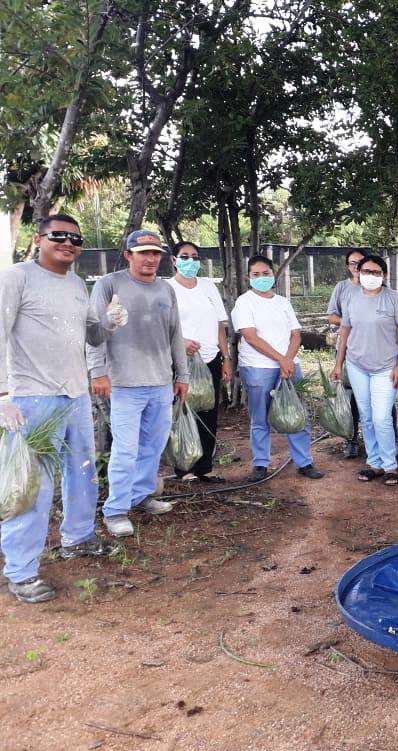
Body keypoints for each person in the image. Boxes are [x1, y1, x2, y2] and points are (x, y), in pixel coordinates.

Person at [0, 215, 115, 603]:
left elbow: (90, 334)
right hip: (33, 398)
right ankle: (21, 571)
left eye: (75, 239)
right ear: (39, 240)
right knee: (33, 485)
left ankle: (78, 536)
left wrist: (109, 323)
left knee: (83, 471)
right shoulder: (17, 277)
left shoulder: (77, 284)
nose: (68, 243)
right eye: (58, 236)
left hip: (75, 394)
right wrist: (3, 395)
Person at [87, 230, 189, 538]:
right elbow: (93, 334)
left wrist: (182, 375)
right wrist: (97, 371)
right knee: (126, 449)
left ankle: (142, 495)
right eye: (143, 252)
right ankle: (116, 510)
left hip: (160, 382)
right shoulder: (110, 284)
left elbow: (175, 334)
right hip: (124, 384)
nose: (150, 258)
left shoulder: (165, 290)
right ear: (129, 254)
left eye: (155, 253)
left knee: (153, 446)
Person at [231, 256, 323, 483]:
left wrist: (288, 361)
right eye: (256, 274)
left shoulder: (283, 302)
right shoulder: (244, 302)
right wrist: (282, 360)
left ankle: (304, 462)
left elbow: (296, 334)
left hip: (290, 366)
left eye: (266, 273)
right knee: (260, 416)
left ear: (274, 275)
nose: (262, 278)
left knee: (297, 414)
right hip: (258, 367)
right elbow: (250, 337)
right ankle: (261, 463)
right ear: (248, 277)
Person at [332, 254, 398, 485]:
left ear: (384, 275)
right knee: (366, 417)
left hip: (385, 368)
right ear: (358, 272)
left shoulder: (393, 298)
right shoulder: (352, 298)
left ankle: (390, 466)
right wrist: (339, 363)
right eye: (366, 271)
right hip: (357, 366)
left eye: (376, 272)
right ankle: (374, 463)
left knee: (381, 417)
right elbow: (345, 331)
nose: (370, 276)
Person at [166, 241, 233, 483]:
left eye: (195, 257)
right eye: (185, 256)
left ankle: (204, 468)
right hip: (181, 362)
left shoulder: (207, 287)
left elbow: (219, 324)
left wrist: (226, 358)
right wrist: (181, 341)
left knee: (209, 412)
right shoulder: (166, 288)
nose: (191, 261)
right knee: (184, 411)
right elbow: (161, 325)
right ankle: (184, 468)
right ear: (174, 260)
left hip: (210, 359)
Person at [326, 247, 366, 458]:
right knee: (350, 397)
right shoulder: (342, 288)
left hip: (372, 353)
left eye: (361, 263)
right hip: (347, 350)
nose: (357, 267)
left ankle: (380, 441)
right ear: (348, 266)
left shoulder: (379, 287)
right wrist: (349, 322)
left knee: (374, 398)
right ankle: (351, 439)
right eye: (353, 263)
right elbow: (331, 316)